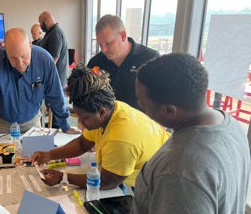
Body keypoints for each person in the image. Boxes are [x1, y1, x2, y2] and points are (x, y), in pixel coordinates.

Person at [131, 53, 250, 214]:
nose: (140, 107)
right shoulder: (229, 125)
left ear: (169, 110)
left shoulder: (181, 170)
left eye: (143, 103)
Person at [31, 65, 170, 190]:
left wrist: (63, 177)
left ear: (102, 112)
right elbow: (82, 143)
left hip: (155, 185)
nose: (80, 123)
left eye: (84, 118)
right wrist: (50, 155)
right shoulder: (110, 109)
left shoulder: (121, 139)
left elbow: (106, 182)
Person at [0, 27, 80, 164]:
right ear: (5, 51)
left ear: (30, 45)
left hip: (31, 123)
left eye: (24, 56)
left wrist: (65, 124)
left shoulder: (44, 60)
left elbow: (55, 95)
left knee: (36, 165)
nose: (20, 63)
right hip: (1, 124)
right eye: (14, 58)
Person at [87, 14, 159, 111]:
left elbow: (163, 97)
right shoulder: (95, 62)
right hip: (107, 124)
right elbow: (88, 96)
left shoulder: (150, 58)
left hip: (141, 123)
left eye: (108, 43)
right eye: (100, 44)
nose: (103, 49)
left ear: (123, 36)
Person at [38, 11, 68, 88]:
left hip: (56, 79)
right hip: (53, 78)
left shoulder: (55, 33)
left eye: (40, 22)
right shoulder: (51, 33)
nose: (40, 25)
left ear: (45, 21)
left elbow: (53, 60)